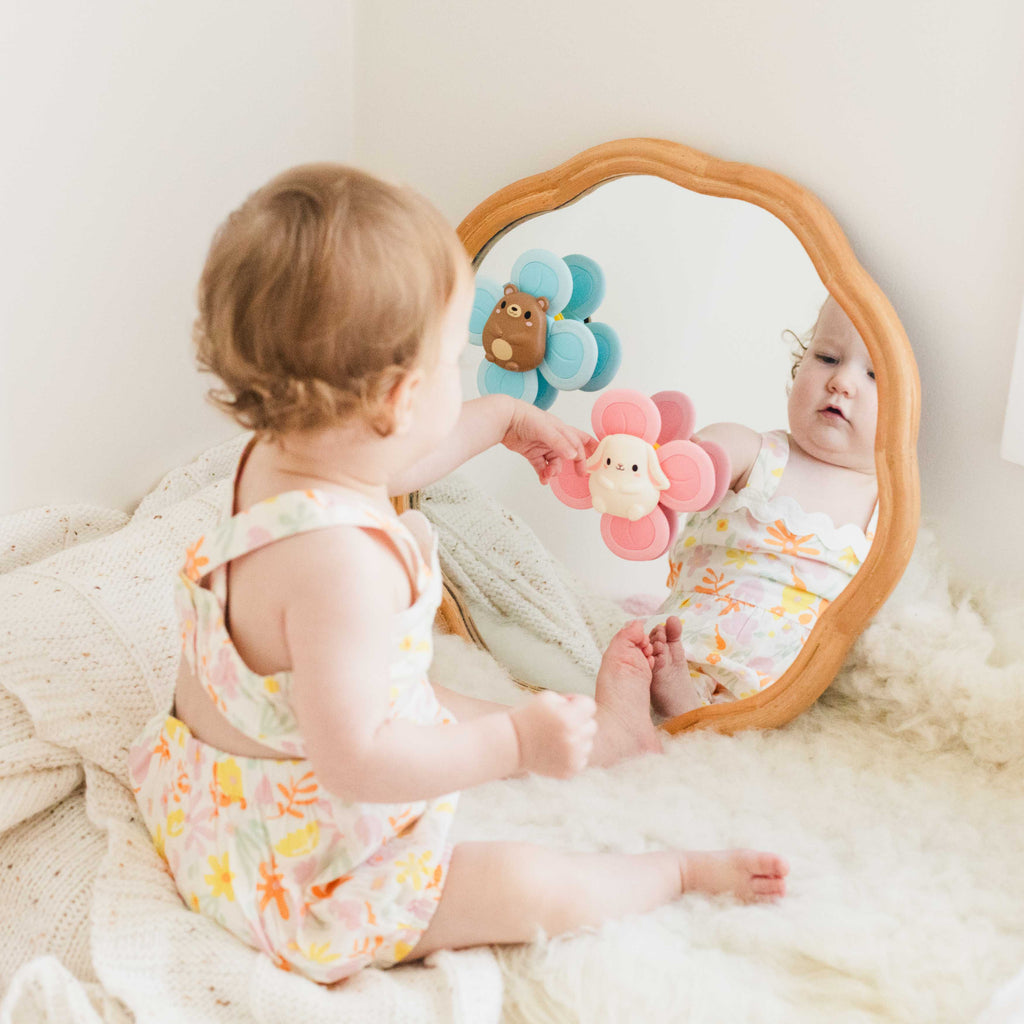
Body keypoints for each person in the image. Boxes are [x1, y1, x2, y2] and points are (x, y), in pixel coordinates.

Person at [127, 164, 788, 985]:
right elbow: (357, 763)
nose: (462, 376)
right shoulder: (342, 569)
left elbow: (391, 460)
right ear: (402, 396)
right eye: (452, 364)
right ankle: (677, 874)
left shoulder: (285, 454)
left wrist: (504, 419)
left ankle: (609, 740)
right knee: (521, 882)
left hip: (211, 785)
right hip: (295, 870)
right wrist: (514, 744)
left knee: (434, 700)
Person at [646, 296, 878, 715]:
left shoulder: (886, 510)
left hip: (782, 674)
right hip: (696, 631)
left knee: (774, 708)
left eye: (874, 373)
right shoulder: (760, 454)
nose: (842, 381)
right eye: (826, 357)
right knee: (641, 656)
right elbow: (717, 453)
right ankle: (673, 695)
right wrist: (691, 460)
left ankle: (701, 713)